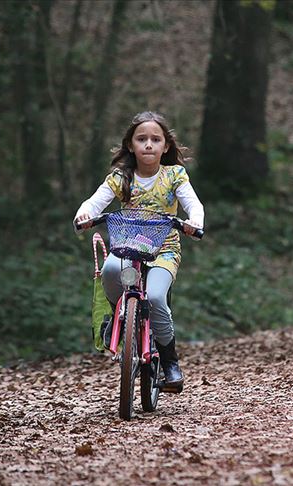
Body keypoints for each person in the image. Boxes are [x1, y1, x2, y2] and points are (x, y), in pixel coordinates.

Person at [74, 111, 204, 392]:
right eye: (141, 138)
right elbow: (96, 201)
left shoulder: (174, 176)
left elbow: (193, 203)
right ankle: (116, 317)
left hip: (164, 249)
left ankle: (170, 363)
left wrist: (194, 221)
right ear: (130, 144)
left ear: (165, 146)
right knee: (109, 270)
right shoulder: (122, 178)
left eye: (155, 139)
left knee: (156, 297)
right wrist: (84, 215)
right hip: (127, 247)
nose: (148, 144)